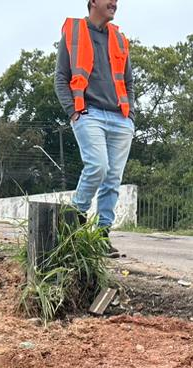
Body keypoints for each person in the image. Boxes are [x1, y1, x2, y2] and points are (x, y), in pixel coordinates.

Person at [55, 0, 135, 255]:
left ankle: (101, 236)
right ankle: (74, 214)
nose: (115, 3)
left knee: (112, 179)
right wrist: (73, 111)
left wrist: (130, 114)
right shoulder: (75, 32)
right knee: (98, 166)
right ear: (92, 2)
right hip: (88, 113)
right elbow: (60, 77)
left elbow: (129, 81)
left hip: (120, 118)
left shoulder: (119, 39)